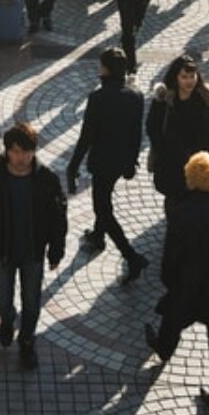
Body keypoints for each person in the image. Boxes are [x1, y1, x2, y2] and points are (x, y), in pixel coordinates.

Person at [144, 151, 209, 415]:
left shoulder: (179, 212)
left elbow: (171, 254)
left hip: (188, 278)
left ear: (190, 177)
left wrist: (170, 280)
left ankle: (163, 349)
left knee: (173, 316)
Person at [0, 122, 68, 371]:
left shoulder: (46, 178)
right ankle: (7, 319)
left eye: (26, 151)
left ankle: (27, 341)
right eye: (15, 151)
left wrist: (56, 249)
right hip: (2, 250)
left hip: (33, 251)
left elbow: (59, 217)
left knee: (32, 301)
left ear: (34, 151)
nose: (20, 157)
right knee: (1, 298)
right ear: (6, 151)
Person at [67, 48, 149, 283]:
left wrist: (73, 167)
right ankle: (97, 236)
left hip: (102, 162)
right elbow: (136, 134)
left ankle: (132, 257)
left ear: (106, 69)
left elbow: (86, 137)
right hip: (120, 162)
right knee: (104, 198)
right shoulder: (136, 95)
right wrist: (132, 161)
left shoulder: (98, 97)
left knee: (103, 208)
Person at [147, 57, 209, 222]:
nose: (189, 81)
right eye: (184, 77)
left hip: (194, 162)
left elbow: (208, 133)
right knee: (172, 200)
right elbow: (152, 128)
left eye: (192, 76)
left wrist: (201, 156)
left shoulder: (203, 100)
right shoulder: (164, 100)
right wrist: (163, 151)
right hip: (169, 161)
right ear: (175, 78)